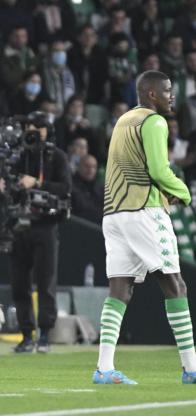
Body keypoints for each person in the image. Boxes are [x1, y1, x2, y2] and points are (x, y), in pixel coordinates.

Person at [94, 70, 196, 385]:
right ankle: (191, 369)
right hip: (143, 210)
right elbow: (158, 168)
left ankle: (103, 368)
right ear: (151, 94)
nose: (171, 96)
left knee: (119, 291)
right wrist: (183, 192)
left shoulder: (123, 120)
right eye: (166, 91)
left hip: (113, 213)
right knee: (175, 285)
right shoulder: (154, 122)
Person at [0, 111, 71, 354]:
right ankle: (26, 334)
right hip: (19, 225)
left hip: (45, 226)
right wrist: (4, 185)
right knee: (19, 284)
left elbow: (65, 188)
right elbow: (5, 190)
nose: (31, 130)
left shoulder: (56, 157)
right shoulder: (19, 156)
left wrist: (38, 183)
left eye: (37, 127)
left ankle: (44, 335)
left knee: (45, 282)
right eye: (28, 125)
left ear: (46, 130)